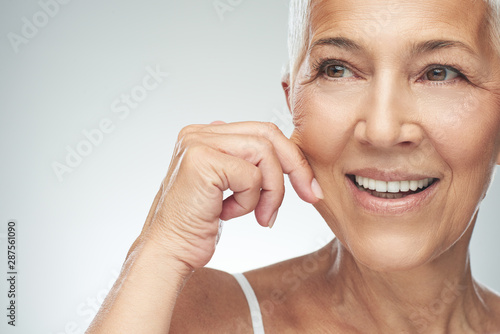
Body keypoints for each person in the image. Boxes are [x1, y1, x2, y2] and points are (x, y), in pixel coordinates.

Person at [86, 0, 500, 332]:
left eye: (441, 73)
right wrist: (161, 250)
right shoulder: (205, 318)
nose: (382, 129)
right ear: (292, 104)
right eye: (337, 70)